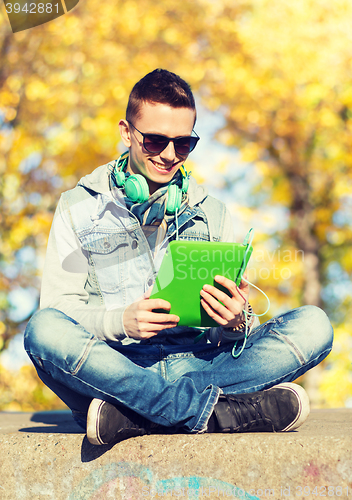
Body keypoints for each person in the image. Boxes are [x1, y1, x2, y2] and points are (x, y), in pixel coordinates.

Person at [24, 69, 333, 446]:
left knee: (315, 325)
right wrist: (118, 321)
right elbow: (59, 310)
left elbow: (227, 332)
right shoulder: (76, 206)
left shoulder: (214, 212)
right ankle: (219, 414)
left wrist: (237, 321)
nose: (170, 156)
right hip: (116, 365)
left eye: (183, 144)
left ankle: (135, 416)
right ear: (126, 132)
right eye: (155, 141)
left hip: (199, 364)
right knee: (43, 330)